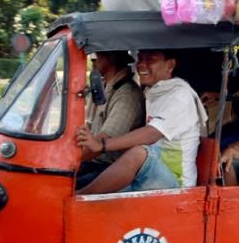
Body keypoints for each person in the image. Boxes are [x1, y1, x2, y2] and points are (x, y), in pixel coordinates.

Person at [75, 49, 207, 194]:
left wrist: (102, 145)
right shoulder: (155, 92)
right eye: (140, 59)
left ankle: (80, 198)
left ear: (170, 65)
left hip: (176, 182)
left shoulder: (180, 96)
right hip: (150, 171)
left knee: (138, 153)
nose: (142, 65)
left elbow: (151, 134)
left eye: (150, 60)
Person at [76, 51, 146, 189]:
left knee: (64, 189)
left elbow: (99, 145)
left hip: (108, 167)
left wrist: (67, 162)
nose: (92, 61)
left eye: (96, 57)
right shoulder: (105, 87)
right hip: (93, 161)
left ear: (112, 56)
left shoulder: (128, 94)